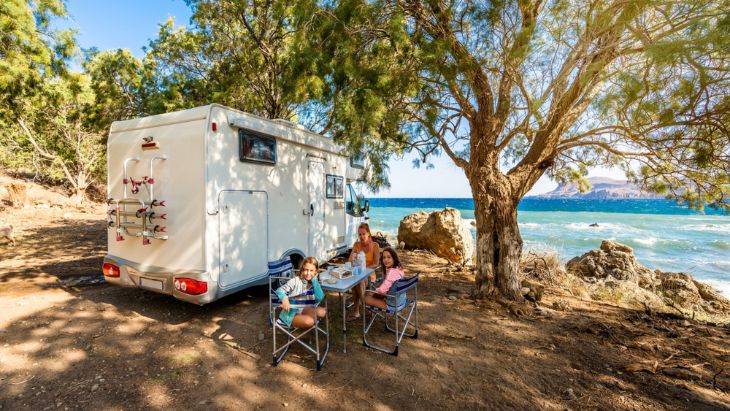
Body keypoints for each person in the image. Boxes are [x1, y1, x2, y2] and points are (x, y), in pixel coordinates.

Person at [275, 256, 326, 328]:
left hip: (304, 308)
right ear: (302, 270)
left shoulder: (314, 282)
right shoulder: (295, 281)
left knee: (322, 312)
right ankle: (308, 320)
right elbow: (279, 290)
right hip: (291, 313)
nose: (308, 273)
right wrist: (284, 299)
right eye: (306, 270)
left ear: (316, 271)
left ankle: (310, 319)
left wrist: (314, 280)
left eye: (311, 270)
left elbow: (319, 298)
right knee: (310, 321)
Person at [346, 223, 380, 321]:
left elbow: (376, 263)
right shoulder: (356, 245)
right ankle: (365, 308)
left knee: (358, 281)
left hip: (370, 274)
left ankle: (357, 310)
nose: (361, 236)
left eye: (363, 234)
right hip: (357, 273)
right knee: (356, 280)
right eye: (359, 234)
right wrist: (354, 259)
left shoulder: (375, 245)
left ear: (368, 233)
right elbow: (350, 261)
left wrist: (364, 268)